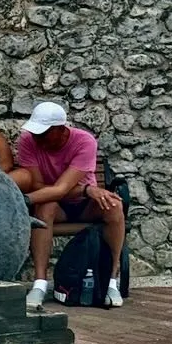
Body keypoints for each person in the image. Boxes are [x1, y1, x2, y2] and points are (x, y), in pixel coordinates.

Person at [14, 101, 124, 310]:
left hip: (85, 205)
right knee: (45, 206)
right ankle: (39, 284)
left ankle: (111, 282)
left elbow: (61, 188)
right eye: (35, 132)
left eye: (43, 133)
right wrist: (84, 189)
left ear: (61, 129)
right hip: (57, 206)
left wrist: (82, 192)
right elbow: (39, 185)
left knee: (113, 205)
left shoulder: (84, 141)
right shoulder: (28, 140)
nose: (37, 138)